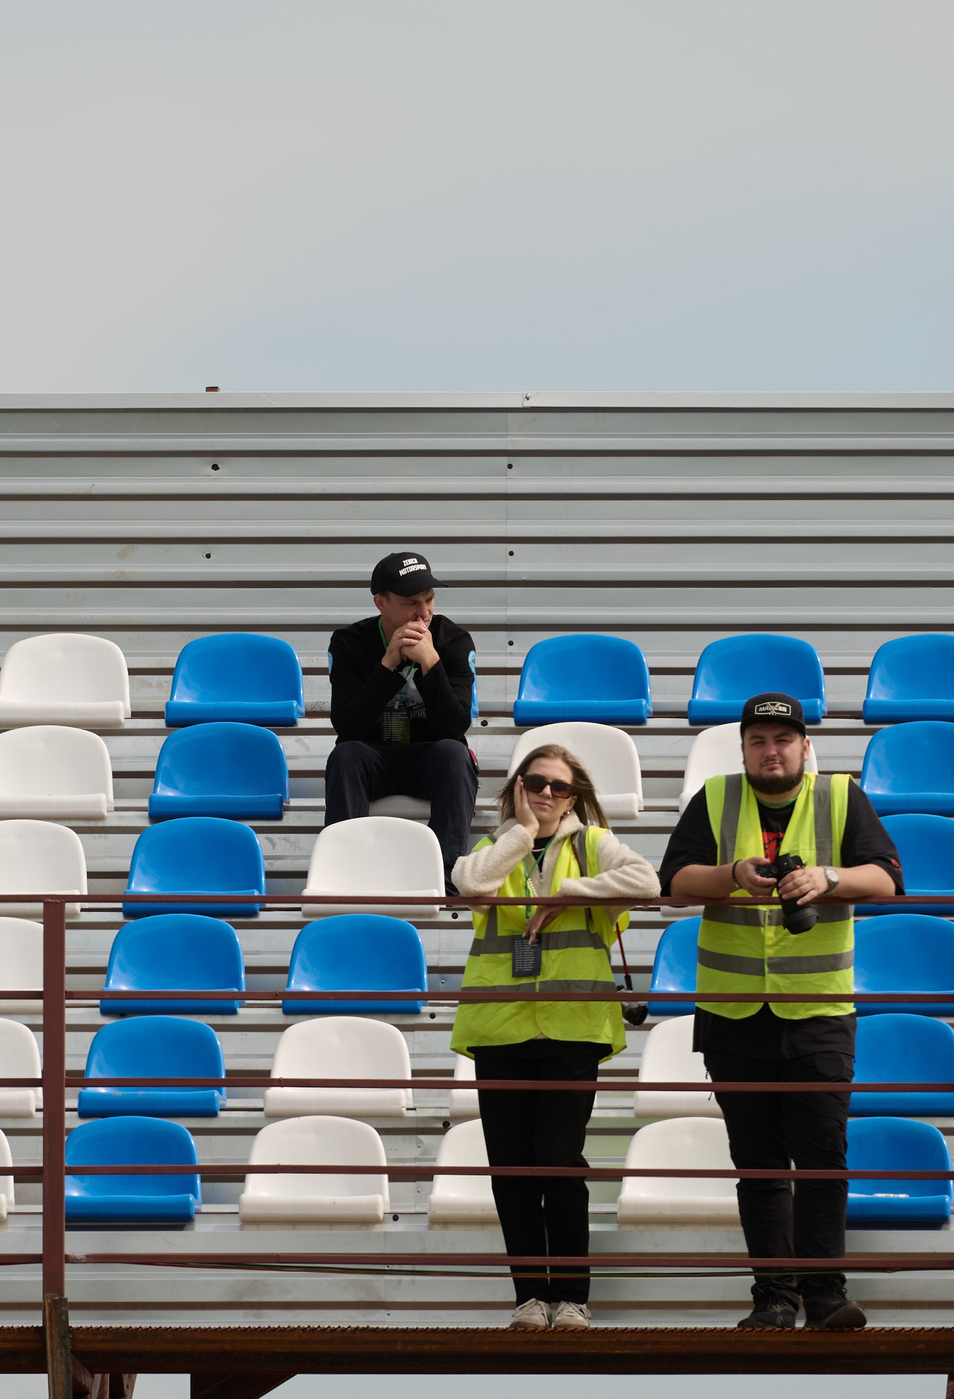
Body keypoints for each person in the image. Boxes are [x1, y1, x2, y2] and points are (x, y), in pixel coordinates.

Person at [656, 692, 905, 1331]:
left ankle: (825, 1294)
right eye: (759, 741)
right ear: (743, 749)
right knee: (758, 1164)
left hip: (818, 1010)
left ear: (805, 746)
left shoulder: (841, 795)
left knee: (823, 1160)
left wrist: (827, 878)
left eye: (783, 740)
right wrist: (735, 874)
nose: (772, 751)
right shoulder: (715, 796)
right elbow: (674, 883)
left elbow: (887, 879)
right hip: (733, 1012)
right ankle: (772, 1297)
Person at [452, 743, 660, 1329]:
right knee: (511, 1167)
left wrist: (568, 894)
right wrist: (521, 833)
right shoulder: (495, 845)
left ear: (574, 797)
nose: (546, 793)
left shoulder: (592, 844)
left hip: (572, 1026)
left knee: (559, 1160)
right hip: (499, 1027)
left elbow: (646, 880)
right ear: (517, 788)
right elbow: (471, 883)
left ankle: (571, 1295)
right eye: (535, 782)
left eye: (559, 786)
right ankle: (529, 1296)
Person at [324, 551, 479, 878]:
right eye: (411, 602)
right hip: (373, 757)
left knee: (456, 754)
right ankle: (345, 877)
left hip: (431, 757)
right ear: (381, 603)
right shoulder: (349, 643)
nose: (424, 612)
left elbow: (455, 726)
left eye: (429, 599)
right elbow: (347, 726)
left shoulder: (454, 640)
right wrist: (387, 666)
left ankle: (444, 878)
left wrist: (431, 663)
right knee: (345, 756)